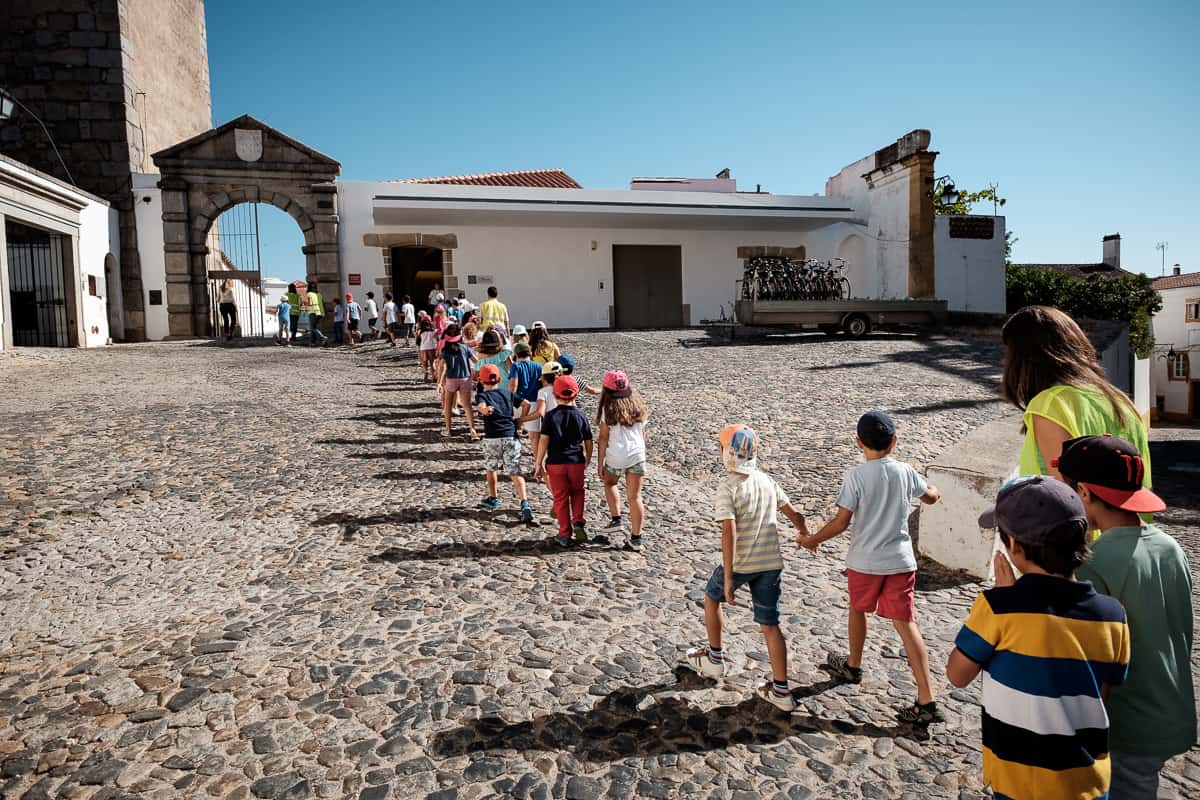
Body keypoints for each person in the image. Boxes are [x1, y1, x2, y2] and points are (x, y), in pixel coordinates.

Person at [949, 476, 1130, 800]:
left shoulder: (998, 608)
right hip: (1086, 784)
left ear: (1014, 546)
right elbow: (1099, 696)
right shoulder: (1113, 615)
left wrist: (1006, 600)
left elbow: (957, 674)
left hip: (1020, 784)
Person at [1055, 435, 1195, 798]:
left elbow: (1090, 662)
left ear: (1084, 493)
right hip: (1170, 709)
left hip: (1127, 724)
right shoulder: (1171, 548)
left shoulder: (1093, 564)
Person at [799, 410, 942, 724]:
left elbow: (841, 522)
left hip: (865, 562)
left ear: (858, 442)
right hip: (901, 562)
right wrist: (930, 491)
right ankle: (927, 698)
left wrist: (813, 540)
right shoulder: (905, 471)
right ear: (894, 441)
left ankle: (853, 665)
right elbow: (931, 496)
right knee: (906, 625)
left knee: (857, 609)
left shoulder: (856, 476)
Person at [684, 425, 811, 712]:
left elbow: (728, 534)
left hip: (741, 562)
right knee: (770, 624)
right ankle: (780, 690)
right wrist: (805, 534)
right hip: (770, 565)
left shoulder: (728, 487)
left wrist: (729, 578)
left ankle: (714, 659)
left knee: (711, 596)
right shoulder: (768, 481)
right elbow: (795, 515)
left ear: (728, 454)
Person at [1002, 305, 1151, 490]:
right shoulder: (1121, 401)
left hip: (1062, 519)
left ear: (1025, 358)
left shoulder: (1051, 405)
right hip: (1132, 519)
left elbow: (1069, 498)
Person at [534, 376, 592, 546]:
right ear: (576, 394)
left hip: (556, 463)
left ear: (554, 393)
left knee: (560, 498)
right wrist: (587, 458)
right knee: (578, 492)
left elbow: (543, 440)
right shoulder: (581, 415)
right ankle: (578, 520)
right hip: (576, 461)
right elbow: (588, 440)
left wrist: (538, 463)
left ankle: (565, 533)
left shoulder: (551, 416)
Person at [595, 371, 649, 551]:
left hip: (616, 454)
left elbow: (603, 438)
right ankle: (636, 538)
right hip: (637, 454)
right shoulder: (638, 406)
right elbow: (642, 433)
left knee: (610, 483)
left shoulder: (607, 409)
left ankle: (616, 518)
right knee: (635, 497)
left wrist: (600, 462)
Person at [474, 364, 534, 523]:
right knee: (515, 471)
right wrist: (520, 420)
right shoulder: (508, 393)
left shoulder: (482, 396)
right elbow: (526, 404)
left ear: (481, 380)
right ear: (499, 379)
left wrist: (485, 411)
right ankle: (524, 503)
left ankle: (493, 498)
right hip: (510, 436)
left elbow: (481, 407)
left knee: (491, 468)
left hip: (492, 438)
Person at [517, 361, 562, 470]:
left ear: (543, 378)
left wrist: (521, 419)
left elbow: (540, 413)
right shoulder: (561, 389)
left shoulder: (543, 392)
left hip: (551, 426)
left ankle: (544, 471)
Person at [438, 323, 479, 441]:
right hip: (465, 379)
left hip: (451, 379)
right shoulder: (465, 348)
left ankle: (448, 429)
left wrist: (440, 383)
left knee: (448, 405)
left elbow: (442, 367)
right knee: (467, 406)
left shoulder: (445, 350)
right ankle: (472, 429)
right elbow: (476, 361)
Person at [306, 281, 327, 347]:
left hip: (312, 312)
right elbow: (323, 304)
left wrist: (305, 304)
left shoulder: (309, 294)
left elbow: (309, 304)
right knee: (315, 328)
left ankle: (322, 337)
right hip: (320, 313)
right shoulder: (319, 294)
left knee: (313, 328)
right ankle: (314, 342)